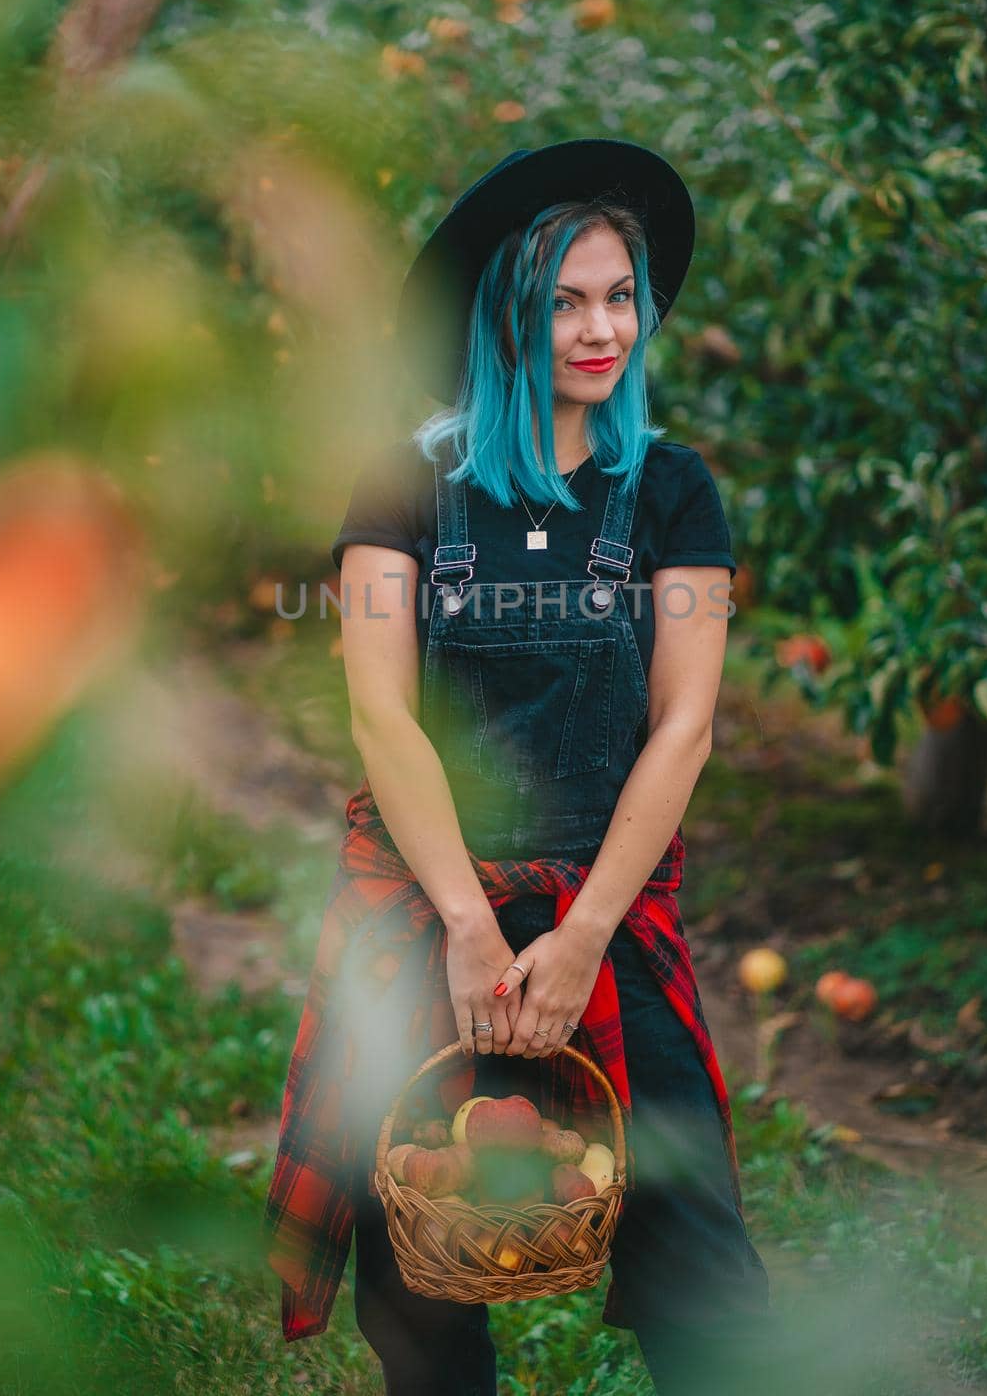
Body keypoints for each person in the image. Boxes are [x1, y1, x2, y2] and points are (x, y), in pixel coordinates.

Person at [264, 138, 777, 1396]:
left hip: (604, 907)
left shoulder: (666, 492)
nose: (601, 328)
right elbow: (384, 715)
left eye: (618, 296)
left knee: (694, 1248)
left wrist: (586, 932)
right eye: (562, 301)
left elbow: (683, 726)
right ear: (503, 312)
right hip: (430, 900)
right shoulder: (404, 486)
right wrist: (463, 927)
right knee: (413, 1272)